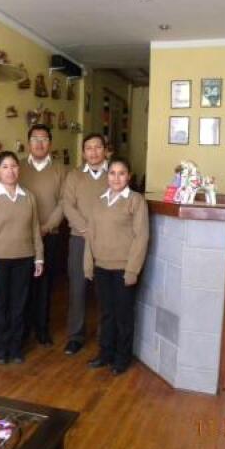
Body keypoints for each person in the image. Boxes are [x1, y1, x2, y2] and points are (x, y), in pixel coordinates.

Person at [0, 151, 44, 364]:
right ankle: (1, 348)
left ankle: (15, 348)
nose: (10, 171)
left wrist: (39, 258)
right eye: (5, 167)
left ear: (18, 169)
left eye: (13, 166)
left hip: (24, 259)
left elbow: (35, 230)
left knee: (19, 306)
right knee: (0, 306)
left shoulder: (29, 197)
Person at [84, 157, 149, 375]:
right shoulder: (99, 201)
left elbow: (141, 237)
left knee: (123, 316)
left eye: (122, 173)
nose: (116, 178)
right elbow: (90, 235)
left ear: (128, 176)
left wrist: (132, 270)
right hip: (101, 266)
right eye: (112, 173)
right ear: (107, 176)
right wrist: (88, 263)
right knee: (106, 314)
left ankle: (122, 358)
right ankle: (105, 353)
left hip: (124, 269)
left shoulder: (136, 201)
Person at [19, 124, 66, 346]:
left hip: (50, 234)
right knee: (23, 283)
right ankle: (23, 329)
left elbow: (64, 202)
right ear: (28, 143)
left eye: (44, 139)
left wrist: (47, 227)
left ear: (50, 143)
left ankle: (42, 328)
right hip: (21, 236)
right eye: (35, 139)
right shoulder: (18, 167)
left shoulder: (60, 170)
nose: (39, 143)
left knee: (45, 283)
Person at [62, 133, 109, 355]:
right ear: (83, 153)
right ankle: (75, 336)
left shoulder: (114, 174)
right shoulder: (74, 176)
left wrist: (100, 231)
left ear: (105, 150)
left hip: (107, 240)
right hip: (79, 238)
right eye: (88, 148)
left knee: (104, 288)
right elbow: (67, 205)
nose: (93, 152)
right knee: (77, 288)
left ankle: (105, 336)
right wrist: (86, 229)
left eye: (98, 147)